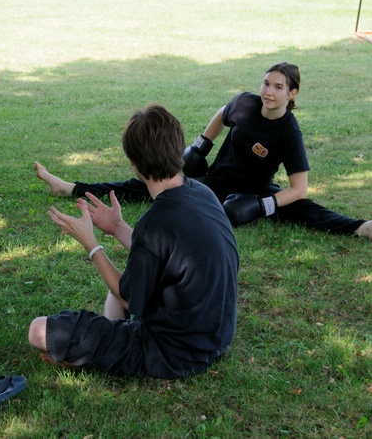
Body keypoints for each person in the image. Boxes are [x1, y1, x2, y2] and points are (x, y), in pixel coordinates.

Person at [35, 62, 372, 241]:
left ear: (292, 94)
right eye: (266, 83)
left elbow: (299, 188)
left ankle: (365, 228)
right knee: (147, 183)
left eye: (278, 87)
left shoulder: (289, 132)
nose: (268, 91)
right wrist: (201, 145)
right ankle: (69, 187)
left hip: (252, 191)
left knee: (303, 208)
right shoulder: (245, 102)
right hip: (214, 181)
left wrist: (262, 205)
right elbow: (222, 115)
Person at [28, 105, 239, 379]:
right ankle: (106, 341)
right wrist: (117, 227)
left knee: (38, 330)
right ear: (179, 147)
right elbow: (168, 254)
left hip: (171, 353)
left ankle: (103, 347)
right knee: (120, 286)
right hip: (215, 339)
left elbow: (127, 296)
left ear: (134, 164)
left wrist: (91, 244)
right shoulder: (202, 192)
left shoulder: (155, 222)